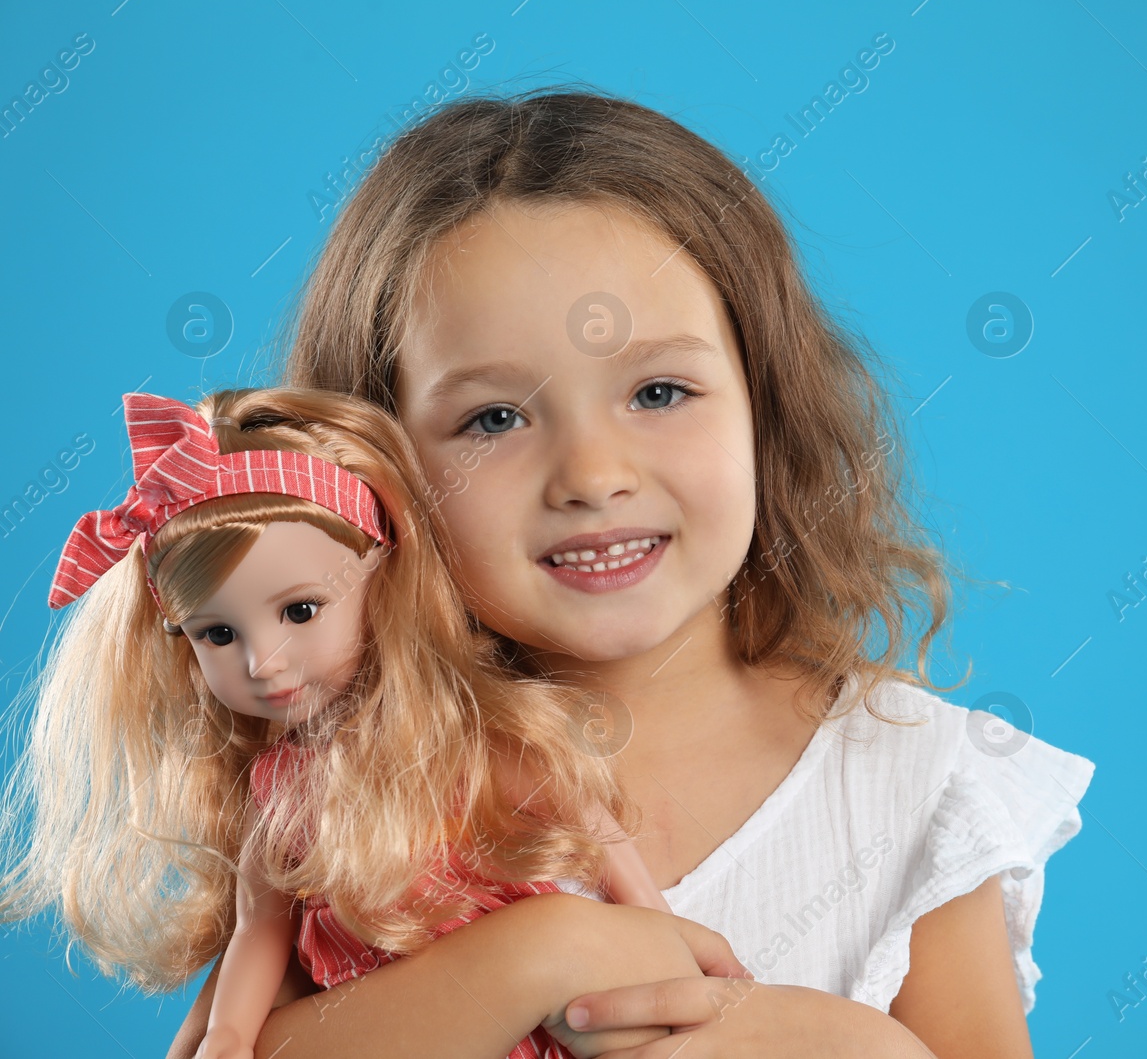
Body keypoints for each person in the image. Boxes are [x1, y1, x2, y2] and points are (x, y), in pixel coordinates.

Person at [169, 87, 1096, 1058]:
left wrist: (836, 1041)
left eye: (658, 390)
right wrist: (541, 951)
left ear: (762, 406)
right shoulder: (368, 775)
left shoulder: (905, 781)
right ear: (372, 474)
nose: (593, 475)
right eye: (494, 418)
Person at [0, 387, 734, 1059]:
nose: (265, 661)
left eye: (300, 611)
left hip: (519, 1024)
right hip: (380, 1018)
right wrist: (228, 1031)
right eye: (216, 634)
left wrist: (659, 927)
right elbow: (262, 925)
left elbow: (592, 825)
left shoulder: (460, 742)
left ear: (381, 580)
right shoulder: (278, 785)